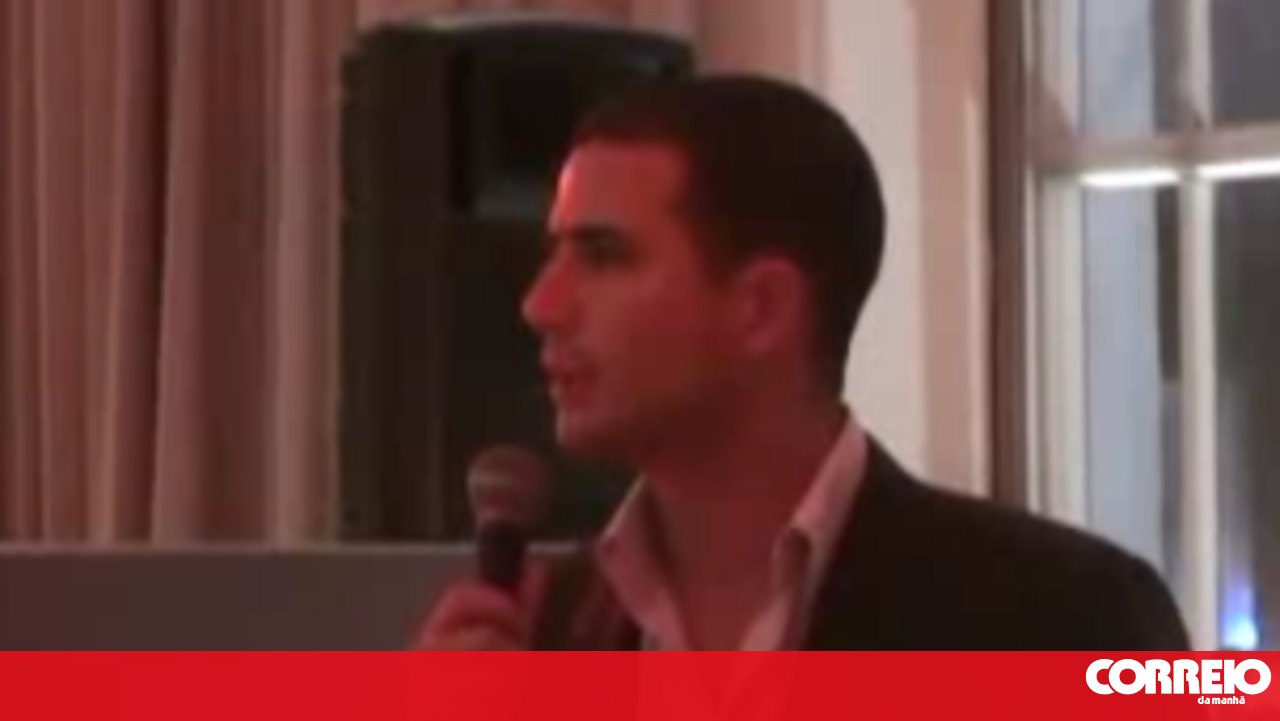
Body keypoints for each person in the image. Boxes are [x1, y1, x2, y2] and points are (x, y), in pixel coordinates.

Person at [418, 74, 1191, 651]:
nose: (540, 304)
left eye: (604, 256)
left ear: (762, 307)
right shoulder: (542, 633)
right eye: (554, 254)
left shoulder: (1067, 614)